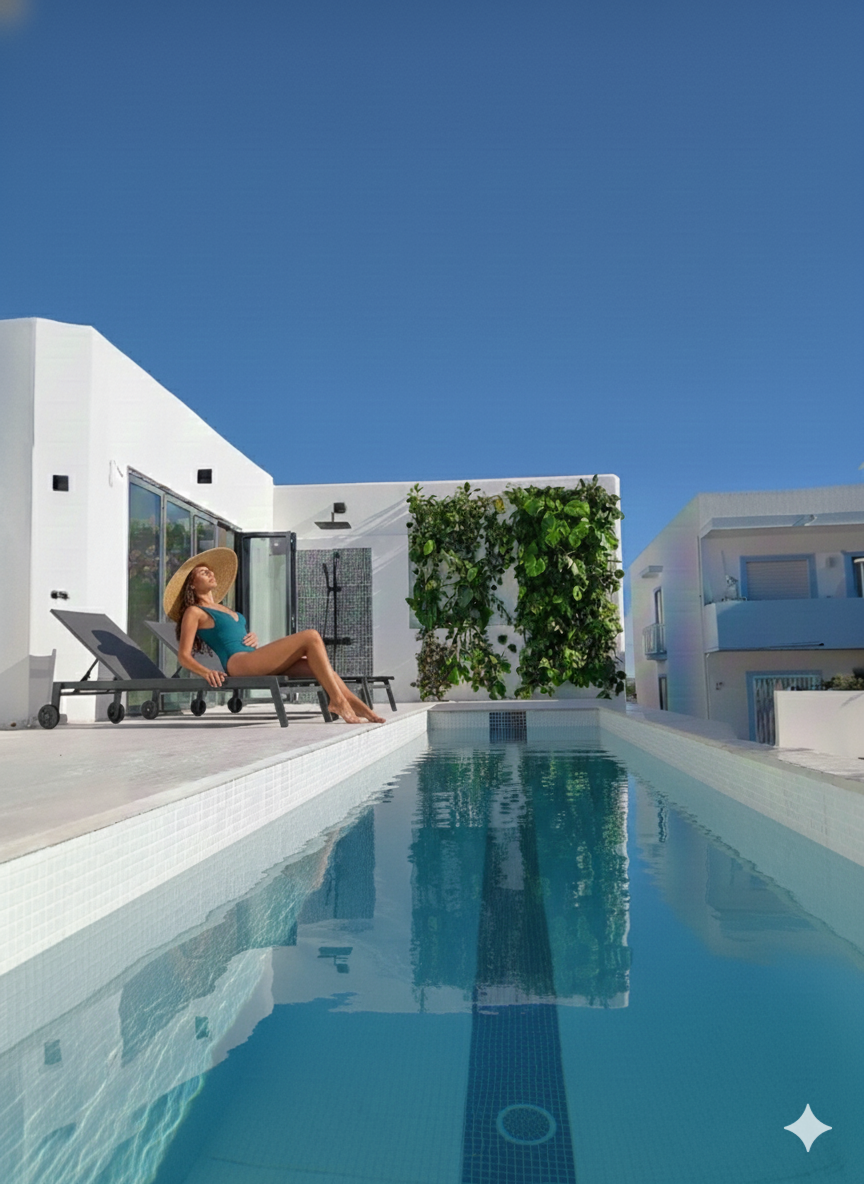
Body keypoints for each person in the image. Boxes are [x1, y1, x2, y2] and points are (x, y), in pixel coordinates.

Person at [163, 547, 385, 725]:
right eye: (203, 572)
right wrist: (206, 671)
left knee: (317, 665)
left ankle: (354, 702)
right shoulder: (194, 612)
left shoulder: (226, 609)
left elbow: (234, 634)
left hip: (253, 657)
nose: (210, 573)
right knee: (311, 636)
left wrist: (253, 637)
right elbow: (183, 656)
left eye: (210, 571)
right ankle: (337, 701)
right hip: (238, 663)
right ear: (192, 584)